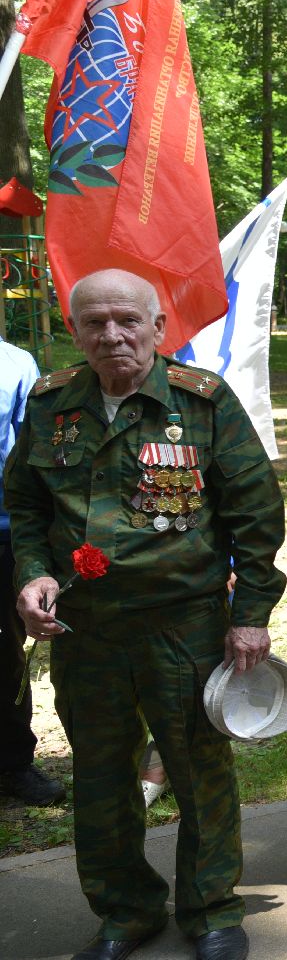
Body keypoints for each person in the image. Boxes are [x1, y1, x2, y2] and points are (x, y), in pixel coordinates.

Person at [7, 269, 284, 960]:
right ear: (74, 330)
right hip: (86, 633)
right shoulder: (49, 405)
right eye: (95, 323)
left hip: (182, 627)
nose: (113, 335)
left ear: (158, 328)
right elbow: (29, 508)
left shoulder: (204, 403)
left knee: (199, 772)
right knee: (101, 779)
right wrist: (35, 573)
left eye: (128, 320)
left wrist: (249, 614)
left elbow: (256, 516)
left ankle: (212, 909)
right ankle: (125, 911)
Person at [0, 334, 61, 808]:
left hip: (3, 538)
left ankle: (13, 762)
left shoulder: (15, 364)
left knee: (5, 656)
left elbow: (36, 457)